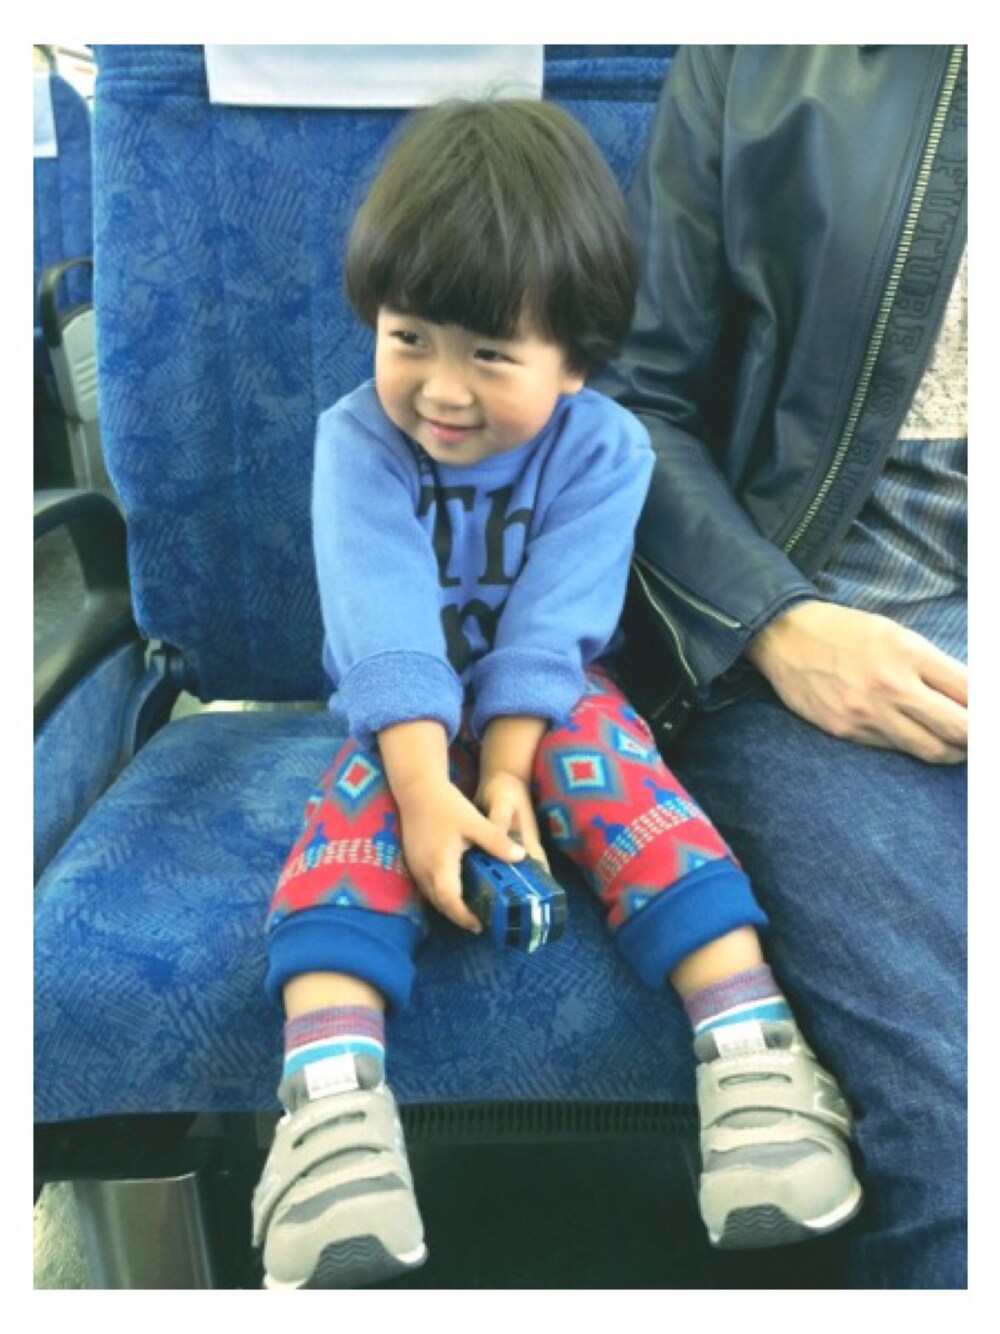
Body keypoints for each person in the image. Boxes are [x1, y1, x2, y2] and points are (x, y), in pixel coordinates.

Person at [250, 96, 863, 1290]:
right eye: (408, 336)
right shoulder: (354, 439)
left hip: (555, 696)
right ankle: (328, 1117)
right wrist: (426, 786)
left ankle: (751, 1056)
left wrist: (508, 766)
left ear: (574, 359)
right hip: (403, 708)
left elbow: (555, 620)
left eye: (489, 354)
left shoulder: (605, 446)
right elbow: (380, 613)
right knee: (353, 825)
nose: (440, 387)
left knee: (623, 780)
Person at [596, 46, 967, 1289]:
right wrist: (775, 621)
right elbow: (631, 397)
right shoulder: (753, 54)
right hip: (831, 613)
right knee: (965, 1133)